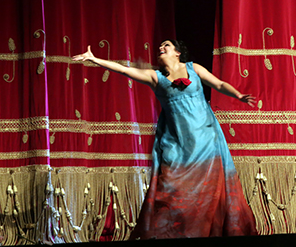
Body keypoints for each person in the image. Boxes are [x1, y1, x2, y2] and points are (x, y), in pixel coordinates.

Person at [72, 40, 258, 239]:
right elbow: (124, 71)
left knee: (209, 192)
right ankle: (171, 236)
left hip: (206, 139)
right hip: (177, 144)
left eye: (166, 45)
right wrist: (95, 59)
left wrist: (238, 95)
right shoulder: (155, 77)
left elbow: (219, 84)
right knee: (171, 189)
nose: (161, 47)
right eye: (160, 46)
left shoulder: (193, 68)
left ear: (177, 52)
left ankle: (206, 235)